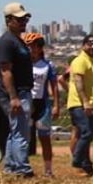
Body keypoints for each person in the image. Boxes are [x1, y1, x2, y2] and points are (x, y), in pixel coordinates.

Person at [0, 2, 36, 177]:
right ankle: (21, 168)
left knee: (16, 130)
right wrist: (13, 97)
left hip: (21, 91)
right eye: (19, 19)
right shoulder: (7, 42)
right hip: (15, 92)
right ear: (8, 20)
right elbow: (6, 71)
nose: (23, 22)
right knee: (21, 132)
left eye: (25, 18)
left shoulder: (17, 40)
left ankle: (11, 166)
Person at [24, 32, 60, 176]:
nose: (31, 49)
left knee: (44, 138)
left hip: (42, 104)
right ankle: (23, 167)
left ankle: (48, 170)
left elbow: (54, 85)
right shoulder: (23, 64)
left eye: (34, 46)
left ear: (40, 48)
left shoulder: (47, 65)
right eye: (28, 46)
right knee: (24, 137)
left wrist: (57, 105)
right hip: (27, 103)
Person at [66, 34, 93, 176]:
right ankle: (77, 160)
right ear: (83, 45)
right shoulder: (80, 61)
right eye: (89, 43)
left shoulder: (91, 61)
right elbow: (79, 84)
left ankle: (87, 166)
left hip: (89, 105)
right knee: (86, 133)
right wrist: (85, 102)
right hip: (80, 104)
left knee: (89, 134)